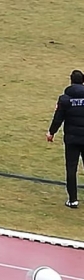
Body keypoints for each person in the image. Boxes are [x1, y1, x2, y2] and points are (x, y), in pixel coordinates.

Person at [47, 69, 84, 209]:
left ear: (71, 80)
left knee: (71, 168)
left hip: (72, 139)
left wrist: (51, 132)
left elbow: (58, 118)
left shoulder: (65, 99)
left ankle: (73, 199)